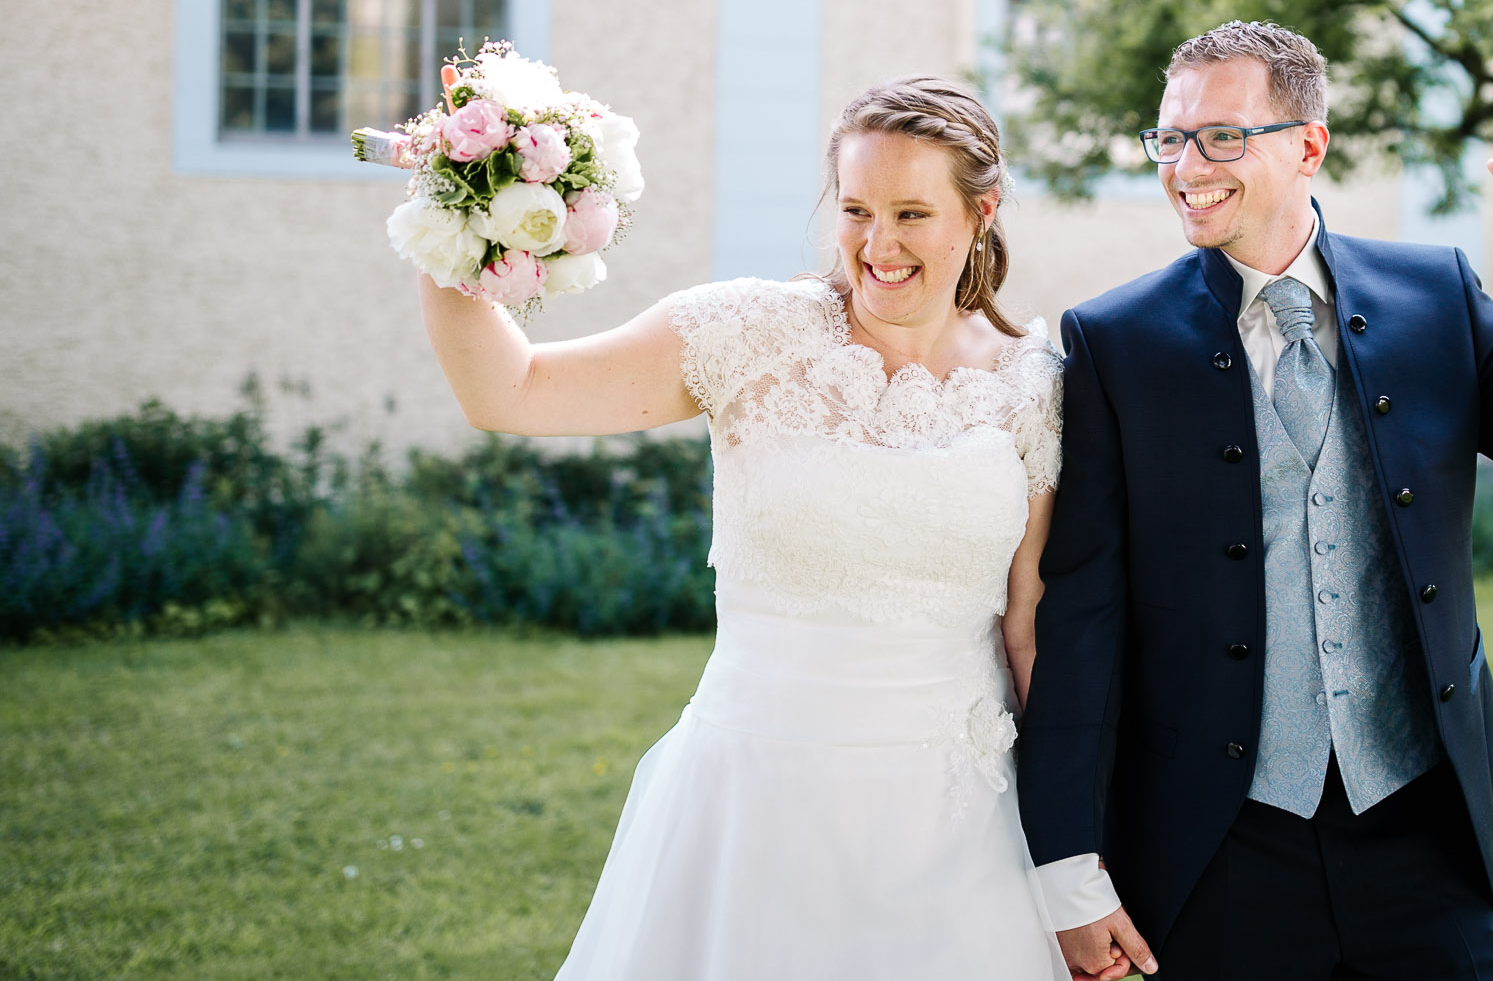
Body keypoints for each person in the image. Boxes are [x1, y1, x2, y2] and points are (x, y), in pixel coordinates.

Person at [1017, 21, 1493, 981]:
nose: (1185, 165)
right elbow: (1081, 617)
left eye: (1221, 137)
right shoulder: (1115, 342)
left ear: (1309, 146)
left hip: (1421, 828)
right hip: (1216, 845)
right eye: (1170, 138)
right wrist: (1071, 868)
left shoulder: (1435, 295)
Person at [413, 72, 1071, 981]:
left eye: (911, 214)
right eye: (855, 210)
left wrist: (1073, 860)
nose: (877, 244)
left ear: (982, 211)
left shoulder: (1033, 385)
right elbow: (507, 392)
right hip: (756, 799)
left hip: (958, 824)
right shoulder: (743, 333)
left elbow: (1028, 629)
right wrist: (456, 219)